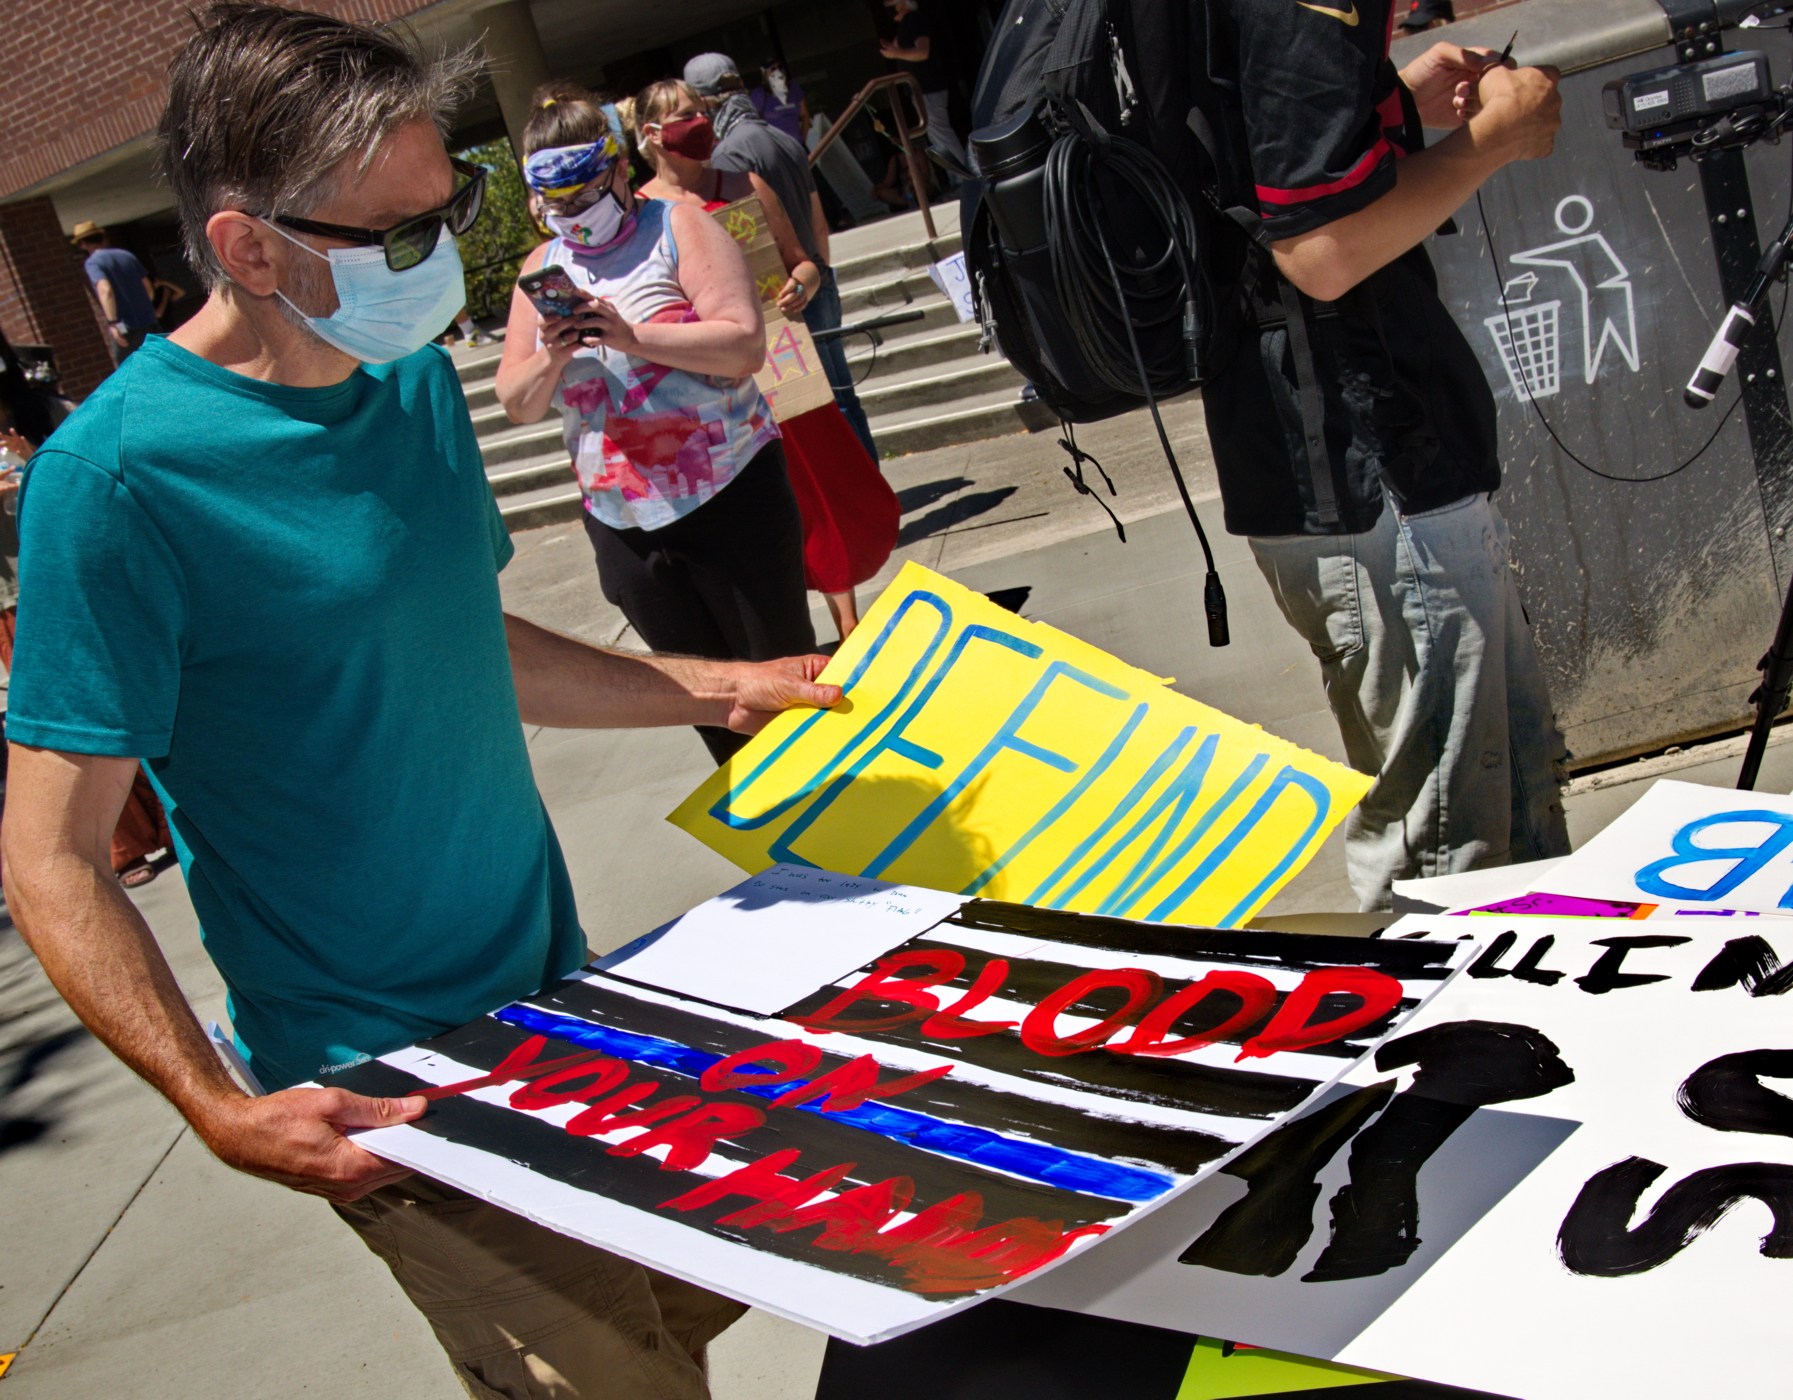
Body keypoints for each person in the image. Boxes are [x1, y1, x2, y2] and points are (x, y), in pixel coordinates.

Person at [3, 10, 839, 1399]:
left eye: (445, 214)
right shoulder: (116, 482)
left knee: (693, 1320)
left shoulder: (410, 388)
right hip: (389, 1082)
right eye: (395, 237)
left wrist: (723, 683)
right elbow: (48, 854)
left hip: (565, 1008)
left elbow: (461, 641)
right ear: (247, 247)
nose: (442, 261)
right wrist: (214, 1104)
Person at [1194, 6, 1570, 909]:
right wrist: (1493, 140)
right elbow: (1319, 252)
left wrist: (1387, 103)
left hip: (1336, 462)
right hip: (1373, 469)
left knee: (1509, 830)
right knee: (1451, 864)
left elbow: (1252, 172)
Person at [495, 82, 821, 762]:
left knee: (785, 693)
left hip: (729, 499)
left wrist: (629, 335)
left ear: (619, 169)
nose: (573, 215)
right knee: (712, 713)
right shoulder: (543, 266)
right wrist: (554, 354)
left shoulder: (679, 227)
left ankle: (846, 814)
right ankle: (766, 827)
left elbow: (744, 345)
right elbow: (517, 403)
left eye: (585, 195)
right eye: (556, 204)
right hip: (625, 525)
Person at [633, 79, 899, 640]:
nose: (700, 123)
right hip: (705, 383)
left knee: (816, 485)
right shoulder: (642, 212)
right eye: (684, 115)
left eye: (702, 111)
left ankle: (846, 620)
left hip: (779, 364)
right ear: (651, 134)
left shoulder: (743, 185)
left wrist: (800, 285)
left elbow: (803, 261)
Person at [683, 52, 882, 467]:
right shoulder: (785, 139)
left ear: (703, 103)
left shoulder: (728, 158)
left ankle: (858, 492)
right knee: (844, 395)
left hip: (784, 294)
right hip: (815, 277)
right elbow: (819, 222)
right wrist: (819, 274)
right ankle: (873, 483)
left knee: (819, 409)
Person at [879, 0, 970, 183]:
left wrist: (895, 53)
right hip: (922, 91)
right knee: (937, 135)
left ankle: (964, 179)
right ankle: (958, 179)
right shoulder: (907, 24)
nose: (887, 4)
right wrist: (897, 50)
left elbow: (922, 52)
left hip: (928, 89)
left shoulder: (914, 20)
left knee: (941, 134)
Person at [71, 221, 161, 364]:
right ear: (102, 238)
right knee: (159, 364)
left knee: (127, 371)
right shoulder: (126, 255)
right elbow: (148, 287)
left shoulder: (93, 262)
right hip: (149, 323)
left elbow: (105, 290)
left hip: (125, 327)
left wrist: (113, 323)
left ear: (83, 243)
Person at [749, 56, 807, 144]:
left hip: (797, 145)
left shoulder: (793, 88)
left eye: (779, 67)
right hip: (777, 147)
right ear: (764, 73)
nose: (777, 71)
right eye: (772, 69)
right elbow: (754, 125)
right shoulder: (758, 95)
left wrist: (802, 141)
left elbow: (805, 115)